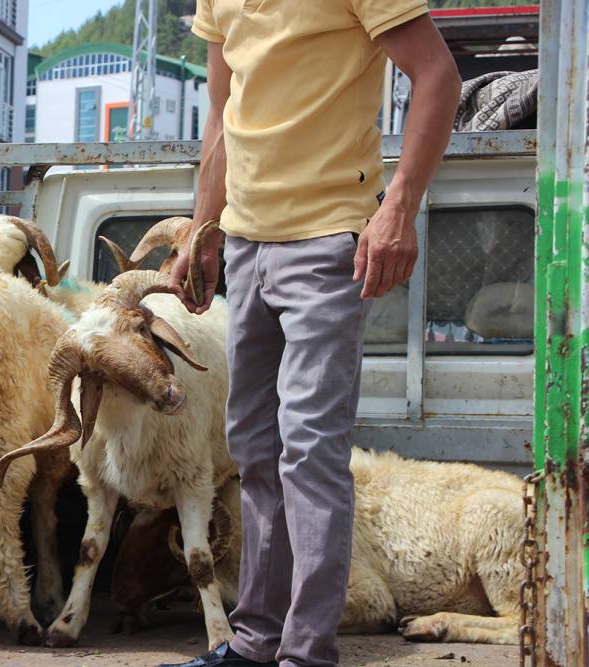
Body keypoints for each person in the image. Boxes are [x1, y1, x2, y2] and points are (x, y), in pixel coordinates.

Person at [164, 2, 461, 667]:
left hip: (329, 239)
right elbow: (222, 112)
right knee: (253, 445)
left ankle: (306, 653)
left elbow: (437, 76)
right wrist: (202, 229)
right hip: (245, 242)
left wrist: (398, 209)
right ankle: (255, 640)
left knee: (309, 449)